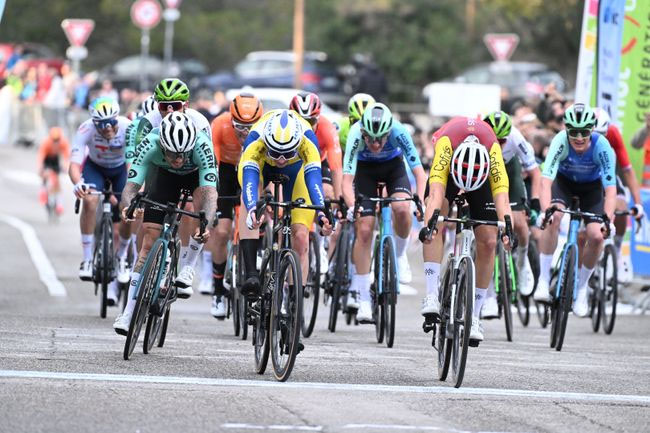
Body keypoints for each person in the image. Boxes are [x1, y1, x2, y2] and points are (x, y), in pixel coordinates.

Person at [114, 112, 218, 334]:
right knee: (149, 240)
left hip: (195, 175)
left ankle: (188, 266)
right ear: (162, 145)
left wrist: (205, 224)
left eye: (182, 154)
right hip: (163, 175)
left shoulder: (202, 146)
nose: (178, 159)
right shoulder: (150, 143)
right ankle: (129, 312)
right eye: (172, 154)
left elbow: (211, 194)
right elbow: (131, 187)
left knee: (196, 209)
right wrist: (128, 206)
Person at [420, 116, 513, 342]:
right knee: (436, 219)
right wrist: (429, 224)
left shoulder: (493, 152)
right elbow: (434, 195)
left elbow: (502, 198)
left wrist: (508, 229)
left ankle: (475, 314)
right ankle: (432, 294)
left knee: (489, 240)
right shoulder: (445, 146)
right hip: (450, 174)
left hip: (480, 179)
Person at [342, 103, 427, 322]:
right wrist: (352, 206)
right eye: (370, 138)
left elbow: (419, 173)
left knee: (401, 208)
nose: (376, 144)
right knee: (364, 229)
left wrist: (422, 203)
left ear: (389, 131)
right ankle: (362, 298)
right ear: (363, 132)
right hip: (365, 172)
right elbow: (347, 180)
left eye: (381, 138)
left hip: (393, 169)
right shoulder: (355, 134)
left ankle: (399, 256)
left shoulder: (399, 130)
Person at [238, 109, 332, 298]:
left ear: (297, 145)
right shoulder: (256, 138)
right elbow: (249, 181)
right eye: (277, 153)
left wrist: (322, 213)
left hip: (296, 171)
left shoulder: (307, 140)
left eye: (287, 153)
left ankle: (294, 297)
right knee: (249, 208)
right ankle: (251, 274)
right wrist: (252, 208)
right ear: (267, 143)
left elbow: (314, 181)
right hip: (263, 166)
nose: (281, 159)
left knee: (301, 235)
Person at [534, 103, 616, 317]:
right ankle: (543, 280)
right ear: (566, 130)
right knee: (554, 218)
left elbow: (610, 189)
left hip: (592, 189)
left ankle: (581, 290)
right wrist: (545, 211)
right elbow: (545, 181)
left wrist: (609, 220)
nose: (579, 137)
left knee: (597, 236)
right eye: (574, 132)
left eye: (585, 132)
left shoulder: (603, 146)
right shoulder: (559, 141)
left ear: (592, 130)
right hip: (564, 184)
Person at [68, 97, 133, 304]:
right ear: (94, 123)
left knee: (129, 206)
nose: (107, 128)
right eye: (102, 124)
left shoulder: (127, 127)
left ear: (117, 118)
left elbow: (132, 166)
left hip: (120, 170)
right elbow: (74, 166)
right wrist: (78, 183)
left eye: (111, 122)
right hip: (95, 168)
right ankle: (87, 259)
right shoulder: (85, 129)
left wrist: (132, 190)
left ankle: (122, 256)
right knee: (89, 200)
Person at [205, 92, 263, 318]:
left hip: (254, 169)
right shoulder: (219, 124)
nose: (245, 133)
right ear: (230, 120)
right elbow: (212, 166)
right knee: (221, 232)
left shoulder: (264, 128)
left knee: (258, 219)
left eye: (250, 127)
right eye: (239, 126)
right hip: (226, 172)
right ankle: (218, 291)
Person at [481, 111, 542, 317]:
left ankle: (523, 262)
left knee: (519, 222)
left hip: (509, 171)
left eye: (502, 140)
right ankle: (488, 294)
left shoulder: (516, 137)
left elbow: (535, 173)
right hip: (485, 173)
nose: (498, 144)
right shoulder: (477, 137)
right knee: (485, 235)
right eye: (494, 140)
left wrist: (534, 203)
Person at [290, 91, 342, 271]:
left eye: (311, 121)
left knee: (327, 192)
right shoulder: (285, 127)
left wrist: (339, 198)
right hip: (293, 164)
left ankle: (320, 242)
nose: (306, 125)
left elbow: (336, 168)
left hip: (319, 163)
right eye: (301, 120)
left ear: (318, 119)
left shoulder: (327, 128)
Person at [594, 108, 644, 282]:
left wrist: (638, 204)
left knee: (621, 206)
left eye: (602, 135)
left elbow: (628, 172)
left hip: (607, 175)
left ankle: (616, 249)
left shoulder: (613, 134)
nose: (597, 139)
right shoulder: (577, 135)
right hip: (584, 176)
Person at [37, 126, 70, 214]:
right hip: (47, 159)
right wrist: (40, 168)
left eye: (57, 140)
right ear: (50, 138)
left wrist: (65, 166)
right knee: (45, 175)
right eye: (54, 140)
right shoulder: (46, 143)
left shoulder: (63, 142)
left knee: (57, 183)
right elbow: (41, 156)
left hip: (55, 160)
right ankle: (43, 191)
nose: (55, 142)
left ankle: (59, 204)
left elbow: (66, 156)